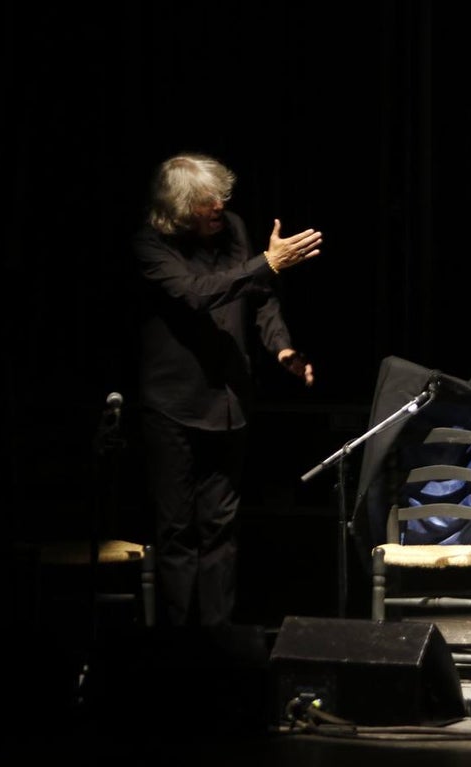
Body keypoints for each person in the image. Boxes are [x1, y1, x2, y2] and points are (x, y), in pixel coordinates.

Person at [133, 152, 322, 627]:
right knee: (176, 531)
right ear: (178, 209)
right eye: (204, 201)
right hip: (173, 406)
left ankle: (218, 642)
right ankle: (176, 644)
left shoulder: (234, 227)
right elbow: (199, 293)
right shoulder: (149, 245)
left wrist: (281, 347)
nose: (218, 205)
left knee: (220, 527)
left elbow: (257, 296)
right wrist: (267, 262)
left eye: (221, 195)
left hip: (229, 403)